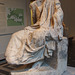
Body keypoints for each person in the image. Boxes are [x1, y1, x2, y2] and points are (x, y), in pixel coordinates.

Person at [5, 0, 64, 68]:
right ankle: (13, 57)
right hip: (37, 27)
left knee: (37, 35)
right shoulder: (36, 4)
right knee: (16, 35)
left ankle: (35, 59)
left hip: (49, 28)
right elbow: (36, 20)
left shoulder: (53, 1)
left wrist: (55, 23)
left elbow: (59, 14)